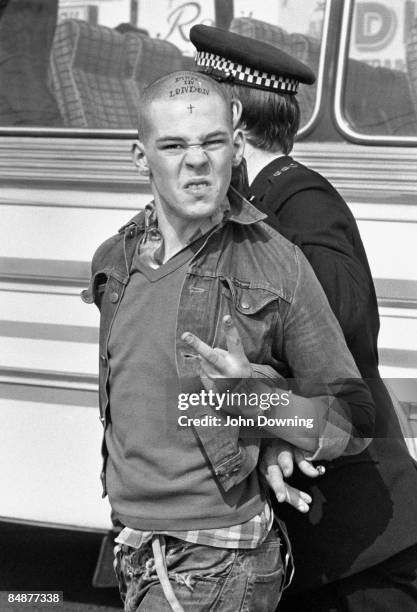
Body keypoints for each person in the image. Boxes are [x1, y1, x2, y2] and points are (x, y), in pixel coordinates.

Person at [81, 70, 376, 612]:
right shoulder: (113, 262)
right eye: (173, 145)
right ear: (140, 157)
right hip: (136, 548)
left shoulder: (277, 262)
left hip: (220, 564)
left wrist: (252, 399)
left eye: (212, 142)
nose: (197, 160)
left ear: (236, 146)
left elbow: (354, 419)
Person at [190, 24, 417, 612]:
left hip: (362, 543)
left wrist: (249, 394)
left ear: (234, 119)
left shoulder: (302, 207)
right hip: (322, 540)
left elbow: (338, 349)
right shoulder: (255, 209)